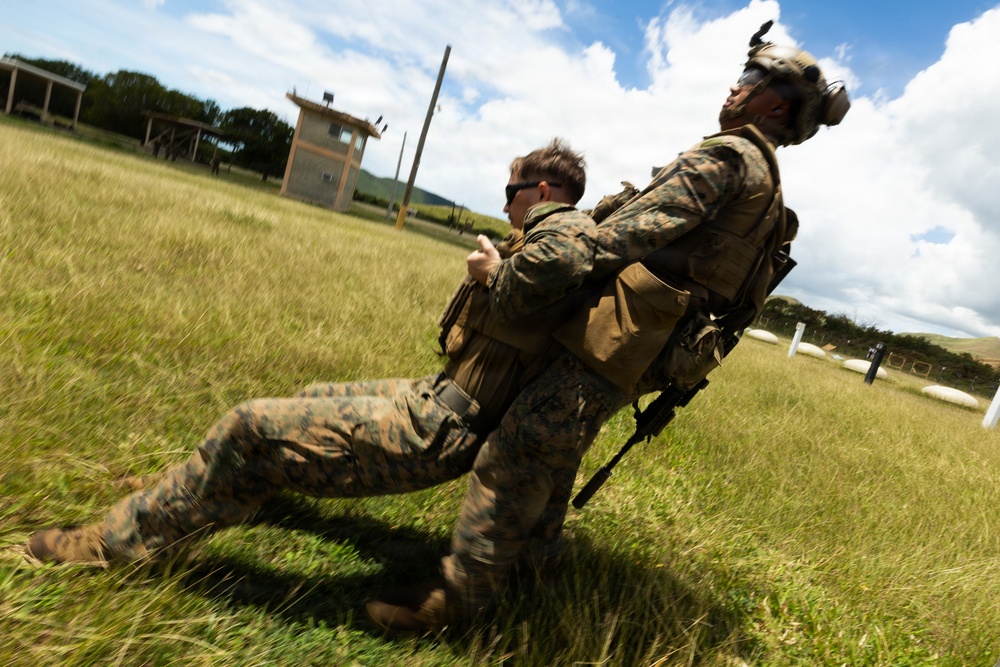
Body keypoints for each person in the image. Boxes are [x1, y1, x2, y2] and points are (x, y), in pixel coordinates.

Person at [367, 22, 850, 632]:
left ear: (775, 104)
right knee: (555, 448)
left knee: (517, 452)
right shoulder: (769, 187)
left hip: (617, 338)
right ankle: (534, 570)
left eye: (750, 80)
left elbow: (624, 236)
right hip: (645, 345)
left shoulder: (729, 157)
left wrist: (532, 268)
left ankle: (457, 605)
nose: (735, 86)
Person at [24, 140, 598, 575]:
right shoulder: (553, 241)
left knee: (249, 424)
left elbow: (555, 269)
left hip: (442, 427)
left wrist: (492, 271)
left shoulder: (565, 237)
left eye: (510, 192)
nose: (504, 204)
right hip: (439, 395)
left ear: (542, 193)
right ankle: (205, 485)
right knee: (306, 397)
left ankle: (115, 544)